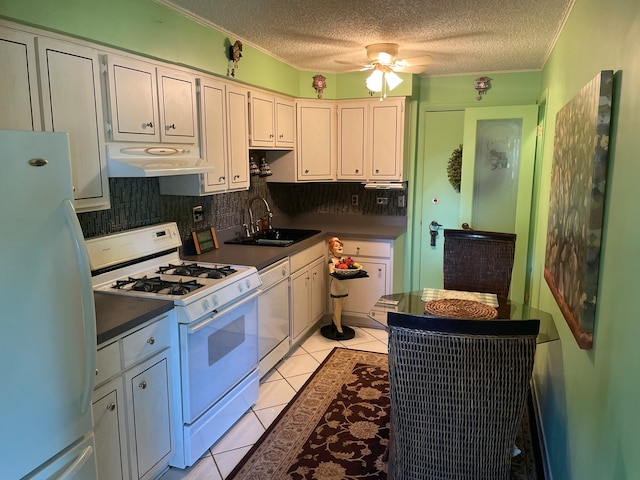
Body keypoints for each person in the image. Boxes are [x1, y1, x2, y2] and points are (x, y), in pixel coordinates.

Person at [327, 237, 350, 337]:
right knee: (338, 306)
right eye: (336, 246)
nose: (339, 247)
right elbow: (331, 272)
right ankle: (338, 326)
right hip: (336, 286)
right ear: (331, 250)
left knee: (343, 303)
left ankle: (334, 319)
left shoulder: (345, 260)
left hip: (344, 285)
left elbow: (349, 268)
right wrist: (338, 270)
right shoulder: (331, 261)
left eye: (340, 245)